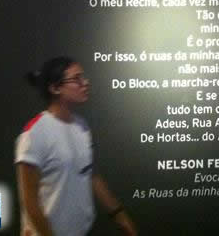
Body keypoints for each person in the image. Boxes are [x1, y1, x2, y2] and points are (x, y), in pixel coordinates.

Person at [15, 56, 137, 236]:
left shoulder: (82, 126)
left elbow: (90, 173)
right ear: (55, 88)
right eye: (77, 79)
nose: (85, 83)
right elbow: (29, 201)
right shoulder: (34, 133)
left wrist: (120, 216)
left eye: (84, 77)